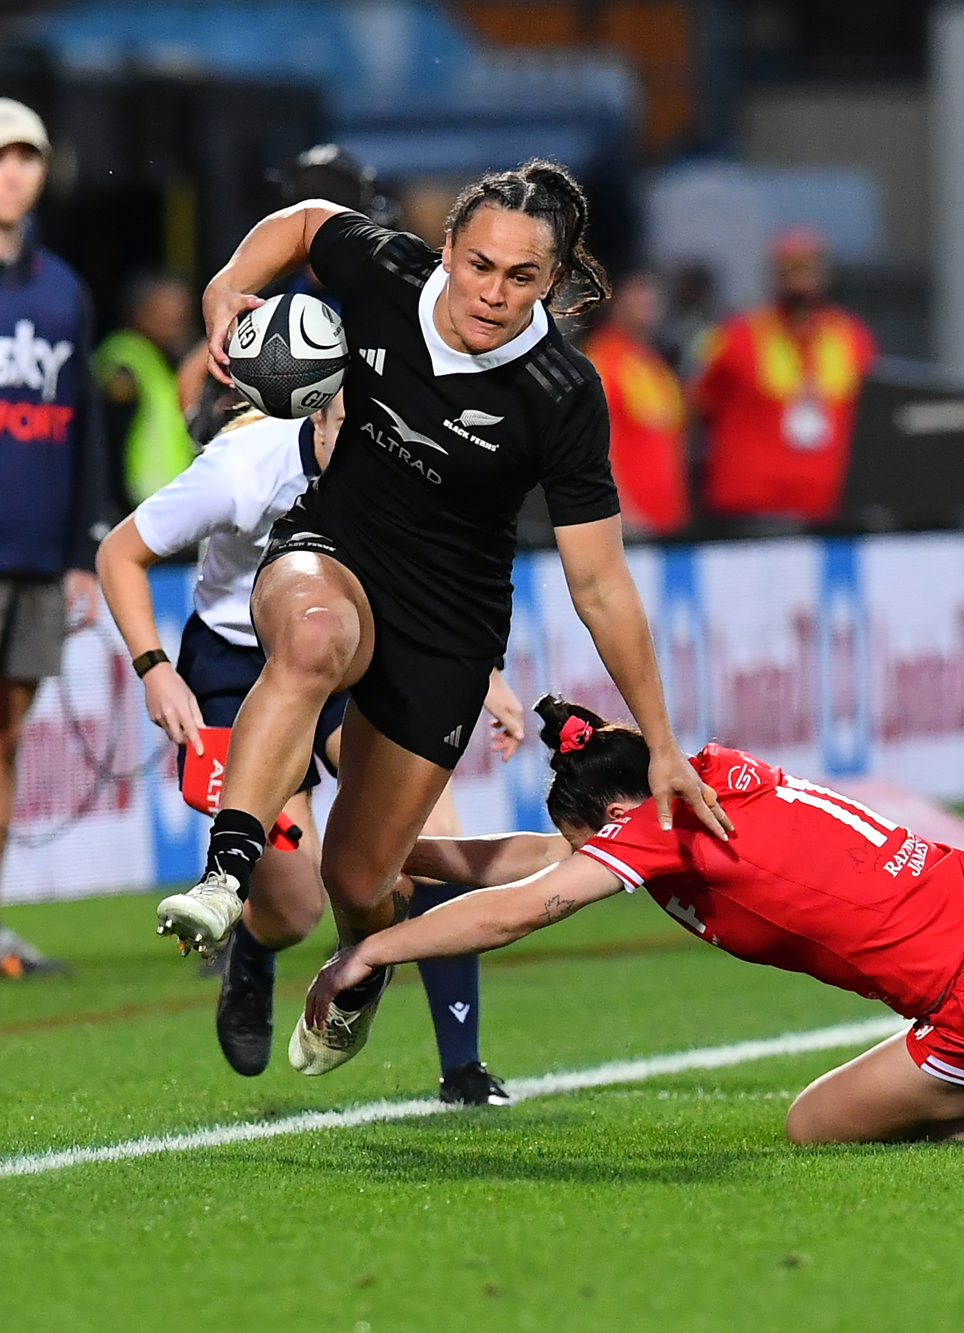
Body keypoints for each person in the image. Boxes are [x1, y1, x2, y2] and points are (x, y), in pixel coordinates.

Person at [155, 158, 728, 1083]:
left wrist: (660, 742)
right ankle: (227, 874)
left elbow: (601, 585)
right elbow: (304, 222)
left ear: (555, 281)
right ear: (449, 248)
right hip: (333, 548)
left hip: (448, 625)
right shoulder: (389, 275)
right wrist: (228, 286)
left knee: (360, 878)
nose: (492, 294)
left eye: (521, 277)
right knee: (308, 641)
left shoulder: (561, 393)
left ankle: (362, 965)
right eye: (477, 265)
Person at [304, 698, 964, 1143]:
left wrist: (370, 949)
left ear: (609, 823)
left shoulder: (653, 829)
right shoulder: (708, 777)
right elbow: (532, 862)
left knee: (818, 1124)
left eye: (586, 842)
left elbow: (521, 907)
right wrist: (395, 853)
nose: (577, 859)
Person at [96, 392, 521, 1103]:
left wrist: (486, 677)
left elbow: (425, 585)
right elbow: (119, 552)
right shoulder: (242, 467)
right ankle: (256, 953)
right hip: (241, 666)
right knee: (295, 907)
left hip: (354, 651)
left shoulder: (398, 462)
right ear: (316, 416)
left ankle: (462, 1067)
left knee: (434, 829)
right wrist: (154, 668)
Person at [0, 97, 105, 977]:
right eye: (1, 156)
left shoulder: (63, 289)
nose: (14, 172)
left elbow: (83, 431)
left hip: (37, 554)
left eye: (27, 156)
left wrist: (83, 553)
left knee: (6, 737)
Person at [692, 227, 875, 523]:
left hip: (830, 505)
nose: (800, 276)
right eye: (790, 267)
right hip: (751, 506)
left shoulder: (854, 337)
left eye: (808, 266)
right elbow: (699, 405)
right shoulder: (735, 336)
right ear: (774, 275)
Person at [583, 269, 690, 535]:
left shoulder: (659, 368)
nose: (647, 304)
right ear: (615, 301)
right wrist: (621, 511)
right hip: (629, 524)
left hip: (669, 519)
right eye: (638, 295)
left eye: (652, 297)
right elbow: (594, 444)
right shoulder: (601, 360)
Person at [95, 270, 197, 508]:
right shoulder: (124, 354)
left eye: (182, 317)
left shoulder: (172, 362)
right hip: (133, 503)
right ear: (139, 314)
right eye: (166, 317)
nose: (176, 326)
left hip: (173, 500)